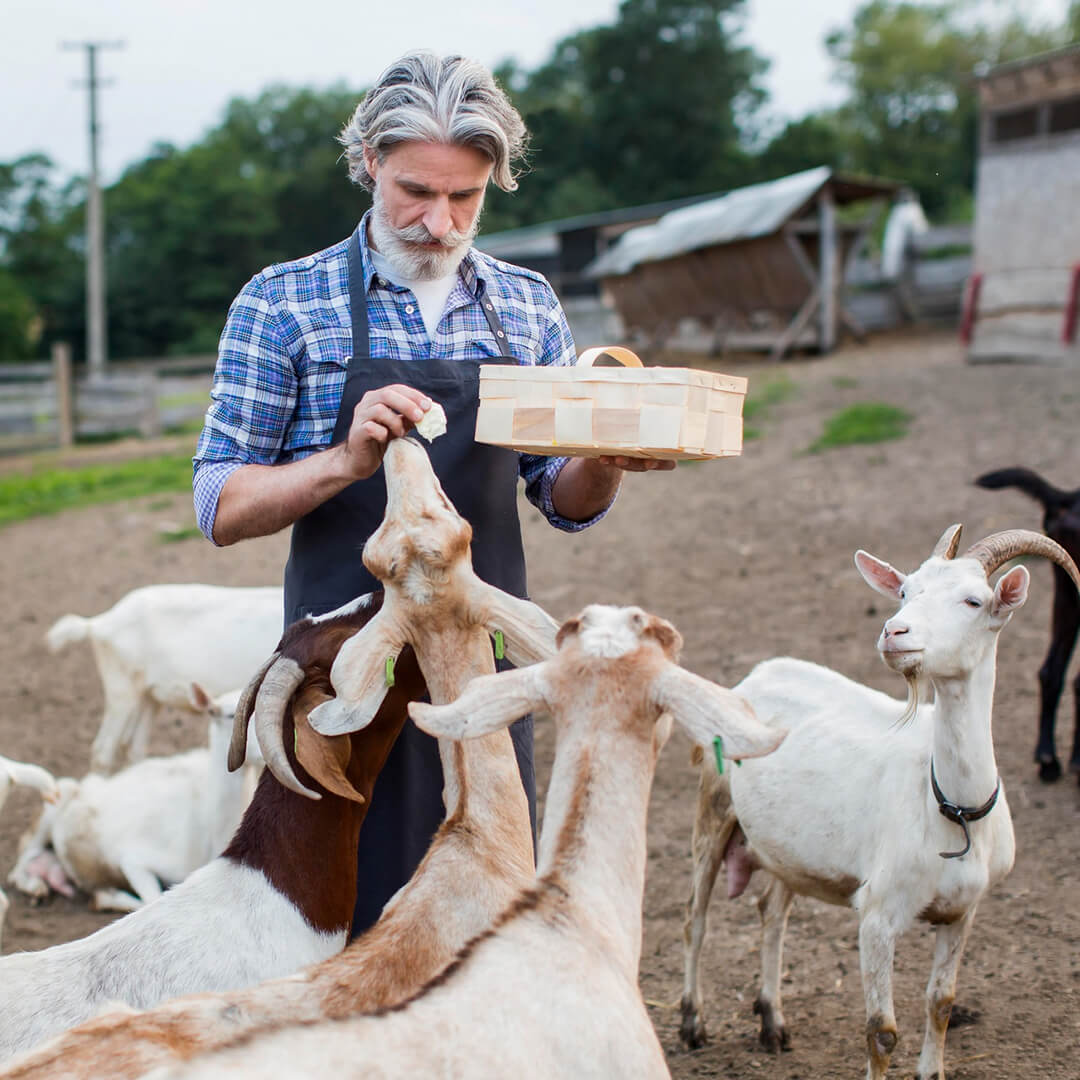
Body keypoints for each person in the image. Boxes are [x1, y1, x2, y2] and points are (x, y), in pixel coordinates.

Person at [193, 51, 674, 936]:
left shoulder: (525, 306)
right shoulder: (283, 304)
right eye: (416, 190)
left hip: (483, 660)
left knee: (487, 906)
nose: (440, 222)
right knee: (341, 914)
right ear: (369, 161)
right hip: (341, 666)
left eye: (465, 199)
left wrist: (607, 459)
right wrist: (344, 459)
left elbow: (557, 495)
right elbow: (220, 503)